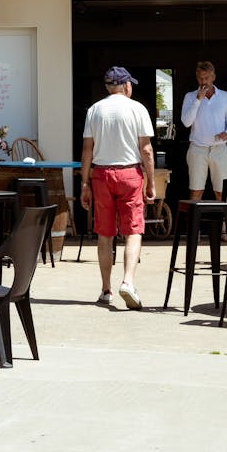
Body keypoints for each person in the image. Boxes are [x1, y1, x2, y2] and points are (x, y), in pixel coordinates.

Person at [79, 65, 156, 309]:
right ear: (126, 86)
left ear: (107, 87)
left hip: (101, 174)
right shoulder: (137, 109)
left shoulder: (94, 110)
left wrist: (84, 183)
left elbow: (87, 150)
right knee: (133, 230)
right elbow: (146, 149)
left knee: (105, 233)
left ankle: (106, 290)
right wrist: (151, 182)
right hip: (129, 174)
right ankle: (128, 282)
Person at [179, 60, 227, 201]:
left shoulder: (225, 97)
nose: (203, 82)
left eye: (206, 78)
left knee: (221, 192)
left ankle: (223, 217)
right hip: (198, 149)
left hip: (219, 149)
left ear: (213, 77)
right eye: (200, 78)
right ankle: (194, 217)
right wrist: (198, 100)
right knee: (196, 191)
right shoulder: (190, 97)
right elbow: (186, 122)